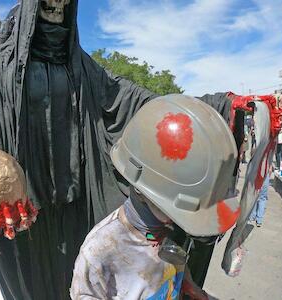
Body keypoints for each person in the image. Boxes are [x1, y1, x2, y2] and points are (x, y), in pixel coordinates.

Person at [0, 1, 156, 299]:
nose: (58, 4)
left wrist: (201, 108)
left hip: (76, 205)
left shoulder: (82, 66)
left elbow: (127, 99)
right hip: (28, 216)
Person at [70, 95, 240, 299]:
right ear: (144, 192)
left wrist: (191, 288)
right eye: (179, 214)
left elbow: (175, 266)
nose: (182, 223)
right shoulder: (100, 252)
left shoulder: (170, 225)